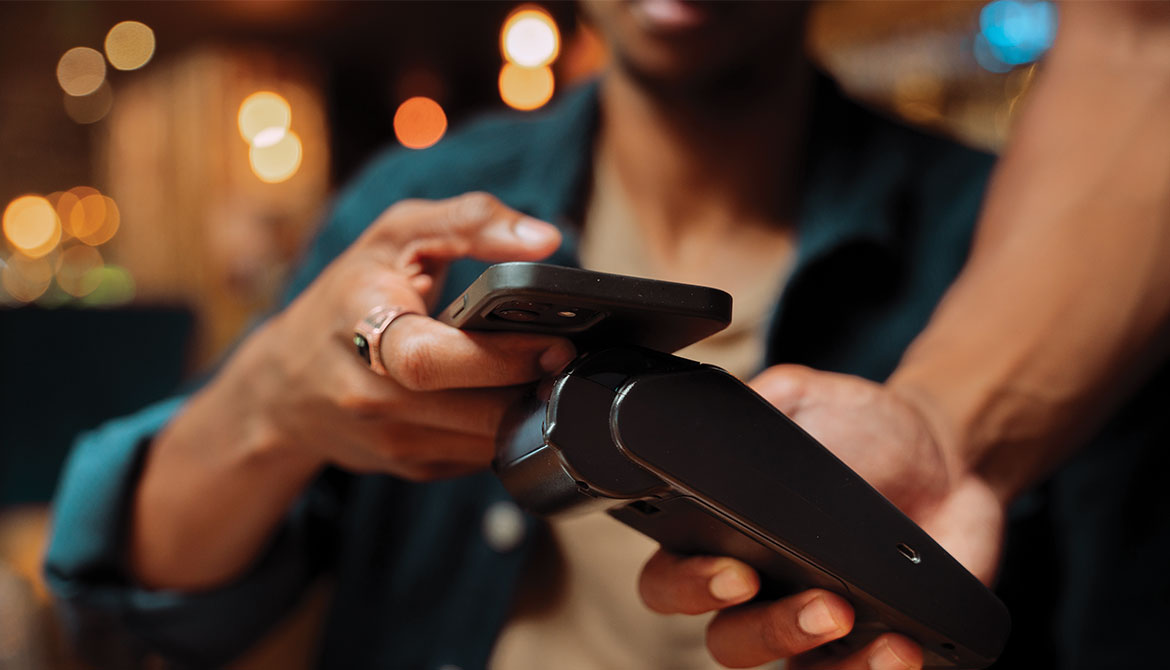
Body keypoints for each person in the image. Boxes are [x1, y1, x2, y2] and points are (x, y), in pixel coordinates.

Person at [44, 2, 1170, 669]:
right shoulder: (424, 209)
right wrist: (269, 407)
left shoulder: (1041, 253)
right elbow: (134, 602)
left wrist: (950, 427)